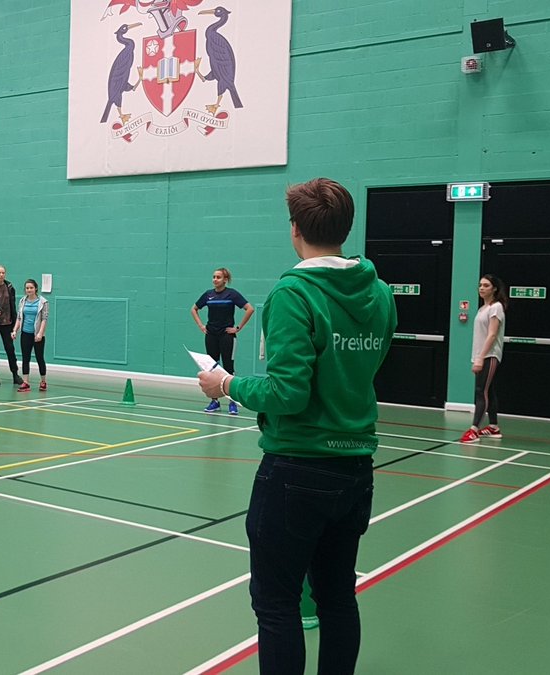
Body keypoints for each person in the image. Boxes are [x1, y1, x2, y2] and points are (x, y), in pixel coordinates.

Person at [198, 178, 396, 675]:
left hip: (297, 469)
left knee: (278, 605)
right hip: (355, 469)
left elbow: (287, 393)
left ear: (295, 230)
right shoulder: (380, 293)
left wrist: (225, 384)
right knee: (337, 598)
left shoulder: (293, 293)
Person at [192, 267, 255, 414]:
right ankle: (214, 401)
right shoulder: (208, 295)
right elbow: (194, 309)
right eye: (214, 277)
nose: (215, 279)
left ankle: (232, 402)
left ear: (225, 280)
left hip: (227, 336)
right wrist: (201, 326)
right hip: (211, 335)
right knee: (211, 368)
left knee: (228, 367)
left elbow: (249, 309)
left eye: (218, 277)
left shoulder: (232, 294)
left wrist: (237, 328)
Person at [459, 275, 507, 443]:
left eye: (486, 285)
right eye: (480, 285)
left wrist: (481, 358)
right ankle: (493, 427)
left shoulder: (496, 307)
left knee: (481, 391)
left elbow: (492, 334)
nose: (481, 288)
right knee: (489, 390)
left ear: (494, 288)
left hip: (490, 355)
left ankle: (474, 430)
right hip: (481, 355)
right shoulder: (482, 309)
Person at [11, 279, 49, 392]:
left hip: (37, 335)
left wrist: (40, 333)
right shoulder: (23, 301)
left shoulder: (43, 302)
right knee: (25, 358)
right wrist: (15, 330)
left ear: (36, 288)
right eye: (27, 288)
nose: (29, 290)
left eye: (31, 288)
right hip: (25, 334)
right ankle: (26, 382)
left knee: (39, 358)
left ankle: (43, 381)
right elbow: (19, 317)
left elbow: (44, 319)